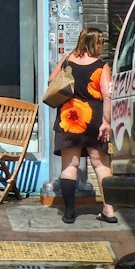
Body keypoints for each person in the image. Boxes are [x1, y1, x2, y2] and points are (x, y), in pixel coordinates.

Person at [48, 27, 118, 225]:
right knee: (101, 165)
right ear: (94, 43)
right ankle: (109, 211)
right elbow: (107, 96)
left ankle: (69, 213)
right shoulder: (101, 66)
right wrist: (107, 122)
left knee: (70, 165)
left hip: (68, 118)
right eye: (100, 41)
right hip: (94, 119)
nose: (102, 45)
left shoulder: (68, 60)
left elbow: (52, 80)